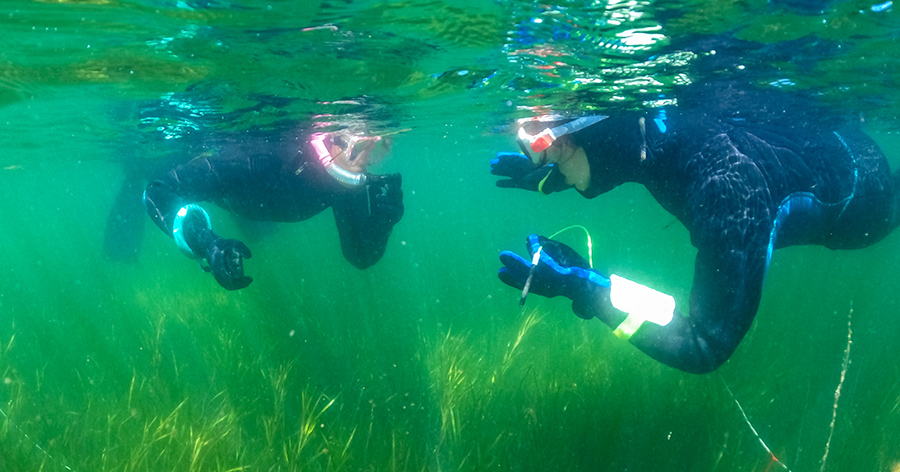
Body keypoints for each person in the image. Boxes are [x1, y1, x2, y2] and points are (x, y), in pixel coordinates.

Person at [491, 80, 899, 374]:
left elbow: (704, 344)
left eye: (552, 153)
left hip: (868, 203)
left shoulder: (725, 187)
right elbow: (618, 151)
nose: (545, 160)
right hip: (831, 138)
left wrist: (587, 287)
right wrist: (550, 178)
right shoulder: (649, 131)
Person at [142, 123, 404, 290]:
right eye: (360, 147)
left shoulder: (348, 179)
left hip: (253, 202)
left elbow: (359, 256)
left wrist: (383, 224)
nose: (367, 162)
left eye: (381, 147)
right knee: (148, 167)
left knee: (259, 230)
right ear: (333, 140)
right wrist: (206, 242)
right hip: (228, 181)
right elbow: (158, 191)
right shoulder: (257, 161)